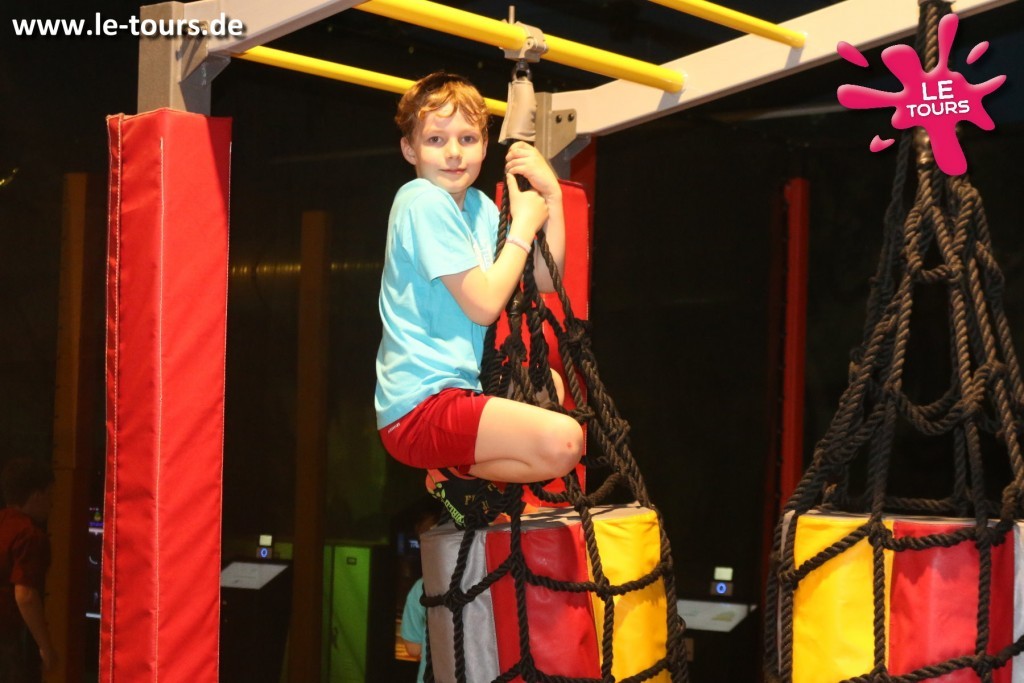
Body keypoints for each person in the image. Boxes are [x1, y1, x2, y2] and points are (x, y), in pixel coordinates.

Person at [375, 72, 584, 527]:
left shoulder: (476, 207)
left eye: (467, 138)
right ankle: (452, 473)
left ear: (485, 146)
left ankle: (452, 473)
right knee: (565, 441)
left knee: (550, 388)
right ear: (410, 150)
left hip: (460, 392)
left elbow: (544, 277)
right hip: (419, 408)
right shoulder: (421, 201)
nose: (453, 152)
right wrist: (523, 227)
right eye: (436, 140)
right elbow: (485, 305)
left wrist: (551, 196)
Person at [0, 457, 57, 682]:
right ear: (36, 496)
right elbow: (25, 595)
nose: (52, 503)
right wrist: (46, 647)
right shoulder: (30, 535)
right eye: (50, 494)